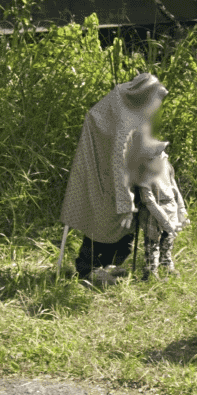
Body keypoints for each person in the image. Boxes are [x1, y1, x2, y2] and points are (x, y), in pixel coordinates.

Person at [60, 73, 168, 283]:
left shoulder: (125, 102)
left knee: (117, 222)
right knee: (105, 219)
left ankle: (110, 265)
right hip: (106, 173)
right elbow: (120, 156)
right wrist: (125, 199)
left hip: (113, 171)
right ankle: (88, 268)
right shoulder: (124, 114)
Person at [136, 139, 188, 280]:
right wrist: (164, 221)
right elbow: (148, 200)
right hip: (153, 212)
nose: (163, 154)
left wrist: (181, 209)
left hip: (170, 206)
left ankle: (166, 265)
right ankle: (151, 273)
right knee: (152, 244)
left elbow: (174, 187)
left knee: (168, 240)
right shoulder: (143, 171)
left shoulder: (166, 165)